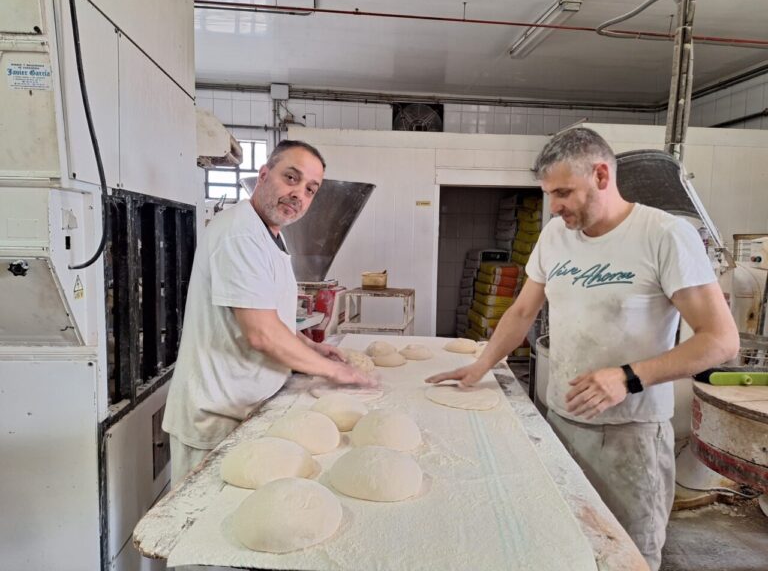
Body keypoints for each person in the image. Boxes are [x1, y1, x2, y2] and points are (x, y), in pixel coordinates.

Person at [427, 128, 739, 570]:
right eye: (549, 193)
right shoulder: (556, 235)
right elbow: (521, 313)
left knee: (626, 556)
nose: (554, 206)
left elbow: (721, 340)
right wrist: (480, 366)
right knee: (563, 545)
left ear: (601, 174)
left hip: (629, 437)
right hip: (559, 423)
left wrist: (629, 376)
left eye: (563, 192)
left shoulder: (664, 235)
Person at [163, 140, 375, 486]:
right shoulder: (240, 235)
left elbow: (268, 315)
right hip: (217, 416)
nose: (299, 195)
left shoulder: (269, 237)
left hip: (246, 407)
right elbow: (260, 333)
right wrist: (335, 371)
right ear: (263, 175)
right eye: (291, 178)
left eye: (310, 190)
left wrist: (309, 346)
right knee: (208, 528)